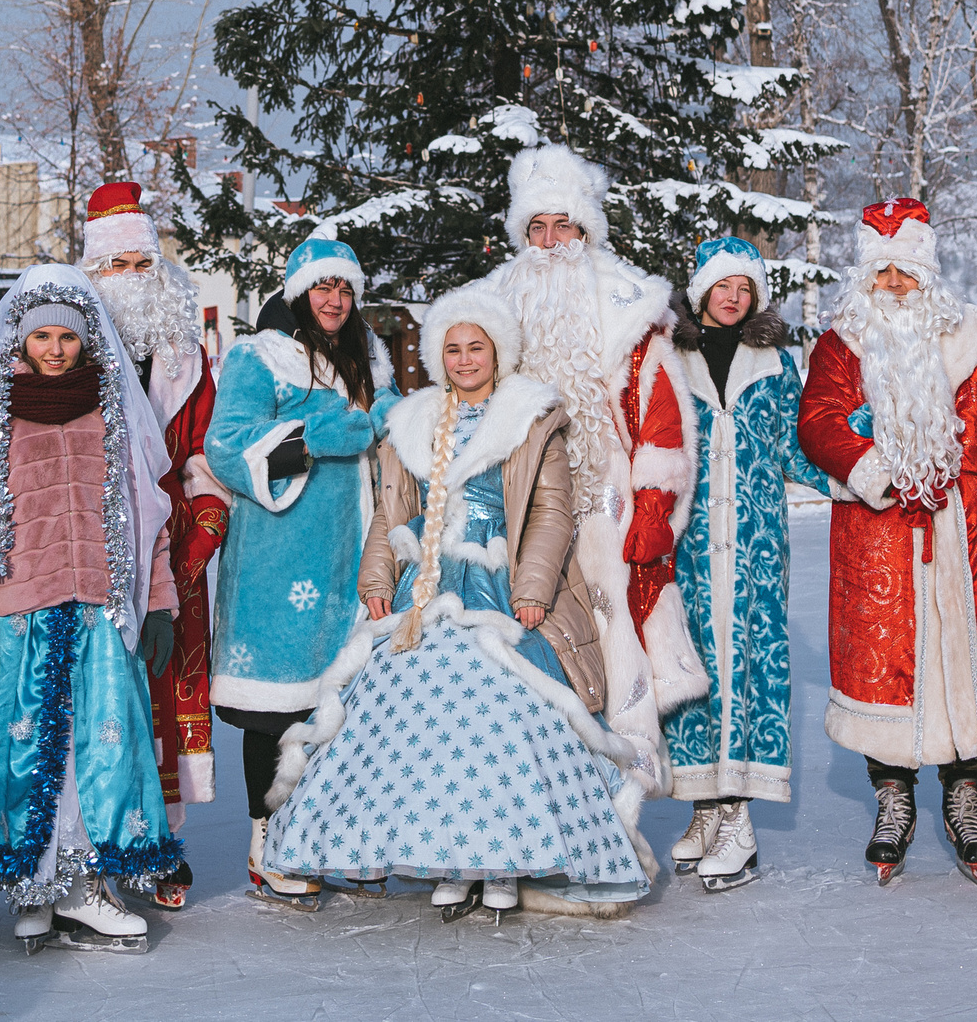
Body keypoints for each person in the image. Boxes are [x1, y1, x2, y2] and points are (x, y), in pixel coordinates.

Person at [262, 288, 650, 921]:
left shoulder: (530, 418)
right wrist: (378, 578)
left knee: (504, 708)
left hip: (501, 583)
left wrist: (531, 590)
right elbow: (392, 511)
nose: (466, 359)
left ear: (497, 352)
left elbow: (551, 513)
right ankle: (448, 858)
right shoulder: (412, 421)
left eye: (477, 347)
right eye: (454, 349)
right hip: (427, 587)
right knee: (413, 713)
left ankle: (500, 864)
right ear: (439, 356)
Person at [798, 199, 977, 885]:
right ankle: (893, 797)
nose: (895, 284)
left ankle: (965, 794)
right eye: (882, 272)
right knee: (885, 667)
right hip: (875, 534)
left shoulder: (972, 338)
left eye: (906, 270)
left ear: (928, 270)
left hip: (962, 528)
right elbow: (818, 420)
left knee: (963, 661)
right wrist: (872, 470)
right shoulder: (844, 339)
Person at [0, 266, 182, 953]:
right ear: (20, 339)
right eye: (42, 336)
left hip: (100, 609)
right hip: (20, 606)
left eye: (68, 338)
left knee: (95, 751)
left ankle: (83, 888)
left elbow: (150, 514)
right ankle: (34, 887)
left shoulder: (110, 407)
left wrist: (160, 601)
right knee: (18, 749)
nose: (55, 349)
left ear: (88, 341)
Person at [481, 144, 706, 794]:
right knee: (537, 649)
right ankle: (542, 802)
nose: (551, 242)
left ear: (586, 230)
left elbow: (660, 414)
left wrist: (657, 509)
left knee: (615, 644)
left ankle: (623, 802)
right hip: (520, 508)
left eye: (564, 225)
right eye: (537, 227)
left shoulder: (629, 303)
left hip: (609, 506)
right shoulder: (497, 303)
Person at [195, 236, 400, 910]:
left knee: (341, 705)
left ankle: (336, 834)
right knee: (275, 709)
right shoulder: (259, 356)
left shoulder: (370, 357)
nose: (334, 300)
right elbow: (225, 447)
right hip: (278, 561)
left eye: (344, 288)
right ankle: (268, 840)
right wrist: (312, 436)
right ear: (298, 292)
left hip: (353, 554)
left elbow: (395, 422)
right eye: (322, 288)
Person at [662, 236, 824, 893]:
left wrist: (857, 472)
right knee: (694, 670)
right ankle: (705, 805)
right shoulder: (672, 361)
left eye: (744, 288)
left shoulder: (775, 362)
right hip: (692, 542)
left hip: (756, 545)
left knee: (750, 671)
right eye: (722, 286)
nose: (733, 297)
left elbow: (796, 445)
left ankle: (739, 822)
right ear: (701, 292)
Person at [81, 181, 223, 910]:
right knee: (98, 695)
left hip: (167, 544)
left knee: (166, 689)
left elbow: (202, 446)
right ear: (92, 272)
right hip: (91, 542)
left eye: (143, 263)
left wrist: (205, 516)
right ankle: (101, 840)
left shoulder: (185, 352)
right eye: (116, 265)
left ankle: (163, 841)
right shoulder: (70, 343)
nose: (131, 279)